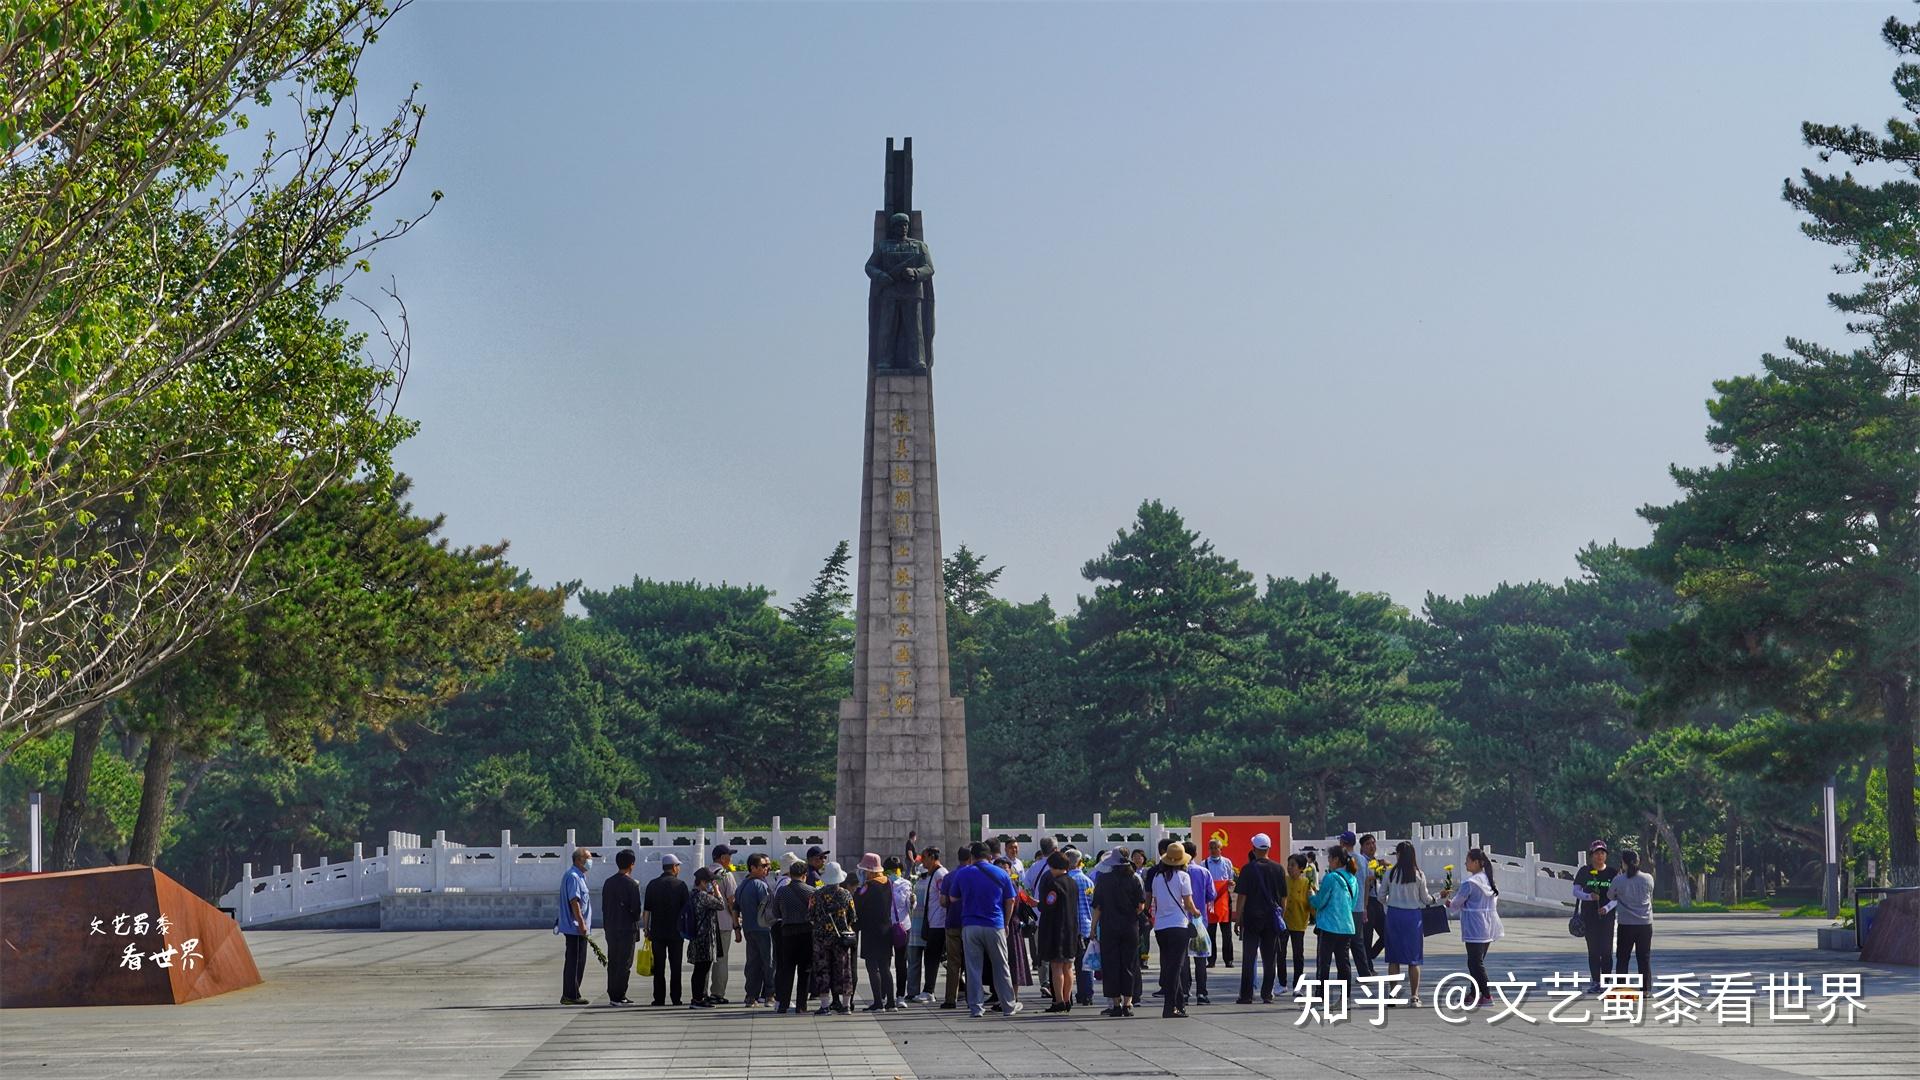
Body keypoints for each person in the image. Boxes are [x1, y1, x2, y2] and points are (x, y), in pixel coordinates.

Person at [950, 840, 1021, 1018]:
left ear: (972, 857)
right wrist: (1005, 922)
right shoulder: (1002, 873)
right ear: (990, 857)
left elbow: (952, 898)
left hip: (970, 925)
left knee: (973, 968)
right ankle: (1008, 1006)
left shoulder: (963, 874)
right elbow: (1010, 900)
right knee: (1001, 966)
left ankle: (976, 1008)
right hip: (994, 924)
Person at [1442, 847, 1503, 1008]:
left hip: (1475, 926)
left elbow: (1455, 904)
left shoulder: (1470, 883)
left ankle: (1487, 994)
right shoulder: (1489, 880)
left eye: (1468, 860)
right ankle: (1474, 993)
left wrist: (1447, 900)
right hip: (1489, 924)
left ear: (1476, 863)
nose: (1465, 863)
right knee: (1477, 961)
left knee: (1475, 963)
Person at [1232, 833, 1287, 1004]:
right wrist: (1281, 916)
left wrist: (1238, 917)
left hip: (1252, 918)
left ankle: (1246, 994)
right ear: (1268, 848)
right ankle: (1267, 993)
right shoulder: (1278, 869)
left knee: (1249, 957)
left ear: (1254, 849)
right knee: (1270, 958)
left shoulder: (1248, 869)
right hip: (1271, 919)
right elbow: (1284, 898)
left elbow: (1242, 896)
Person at [1090, 848, 1145, 1016]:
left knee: (1111, 965)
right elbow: (1141, 906)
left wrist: (1093, 929)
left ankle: (1115, 1004)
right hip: (1130, 927)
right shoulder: (1135, 879)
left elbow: (1098, 907)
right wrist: (1129, 916)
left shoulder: (1104, 880)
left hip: (1109, 927)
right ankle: (1128, 1003)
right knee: (1129, 964)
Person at [1381, 840, 1435, 1006]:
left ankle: (1393, 995)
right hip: (1413, 917)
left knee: (1394, 958)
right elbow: (1425, 899)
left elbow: (1381, 896)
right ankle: (1414, 996)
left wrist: (1391, 903)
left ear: (1398, 855)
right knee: (1414, 959)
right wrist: (1437, 898)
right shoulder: (1418, 874)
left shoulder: (1390, 873)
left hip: (1394, 916)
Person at [1035, 851, 1082, 1012]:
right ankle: (1068, 999)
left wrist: (1038, 904)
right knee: (1069, 967)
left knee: (1056, 966)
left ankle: (1059, 1001)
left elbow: (1048, 905)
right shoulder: (1073, 882)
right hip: (1071, 929)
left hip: (1057, 929)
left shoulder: (1054, 884)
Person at [809, 861, 857, 1014]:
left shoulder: (816, 894)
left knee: (823, 970)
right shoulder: (846, 894)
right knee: (843, 970)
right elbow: (853, 917)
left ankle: (824, 1006)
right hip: (841, 938)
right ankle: (845, 1006)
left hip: (821, 939)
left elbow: (810, 916)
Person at [853, 853, 900, 1012]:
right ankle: (891, 1002)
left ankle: (878, 1002)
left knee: (872, 967)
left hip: (871, 931)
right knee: (885, 967)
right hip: (886, 930)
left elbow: (857, 904)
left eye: (865, 870)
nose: (864, 873)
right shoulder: (888, 883)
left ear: (870, 870)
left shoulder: (868, 886)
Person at [641, 853, 689, 1007]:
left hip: (657, 932)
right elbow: (687, 911)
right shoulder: (681, 885)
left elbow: (647, 910)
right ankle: (676, 998)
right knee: (676, 967)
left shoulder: (652, 884)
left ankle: (659, 998)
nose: (679, 869)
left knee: (659, 967)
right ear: (674, 867)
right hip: (676, 933)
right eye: (678, 866)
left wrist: (646, 929)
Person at [1571, 840, 1617, 994]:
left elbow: (1617, 896)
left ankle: (1606, 981)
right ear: (1591, 855)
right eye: (1597, 853)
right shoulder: (1585, 871)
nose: (1600, 856)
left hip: (1607, 917)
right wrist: (1588, 896)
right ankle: (1596, 981)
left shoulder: (1612, 873)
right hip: (1589, 916)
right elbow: (1576, 891)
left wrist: (1607, 907)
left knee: (1606, 950)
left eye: (1602, 853)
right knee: (1593, 950)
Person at [1309, 848, 1357, 990]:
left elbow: (1319, 902)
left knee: (1324, 964)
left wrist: (1311, 896)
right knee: (1344, 964)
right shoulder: (1352, 879)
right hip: (1347, 926)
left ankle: (1321, 996)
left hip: (1328, 926)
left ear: (1336, 859)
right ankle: (1344, 998)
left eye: (1329, 857)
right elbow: (1352, 904)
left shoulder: (1331, 878)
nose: (1328, 861)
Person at [772, 861, 816, 1014]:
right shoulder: (811, 891)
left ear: (790, 874)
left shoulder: (782, 891)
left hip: (787, 933)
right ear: (805, 875)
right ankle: (801, 1006)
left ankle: (783, 1004)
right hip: (806, 933)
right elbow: (815, 913)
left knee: (786, 969)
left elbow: (775, 913)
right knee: (805, 970)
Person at [554, 847, 594, 1006]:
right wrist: (582, 924)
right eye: (588, 858)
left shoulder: (579, 876)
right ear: (579, 860)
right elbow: (574, 902)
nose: (590, 861)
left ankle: (573, 993)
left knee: (578, 960)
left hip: (576, 927)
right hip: (575, 927)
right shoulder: (573, 877)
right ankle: (570, 994)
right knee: (575, 961)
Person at [602, 849, 643, 1006]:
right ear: (632, 864)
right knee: (625, 962)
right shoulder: (632, 884)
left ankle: (612, 993)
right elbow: (636, 910)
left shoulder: (608, 882)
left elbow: (605, 907)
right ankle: (620, 995)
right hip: (627, 929)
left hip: (611, 927)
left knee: (613, 961)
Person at [1611, 849, 1654, 992]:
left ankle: (1622, 987)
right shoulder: (1648, 878)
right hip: (1645, 924)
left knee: (1623, 957)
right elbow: (1650, 893)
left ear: (1623, 863)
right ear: (1638, 861)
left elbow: (1610, 895)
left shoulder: (1619, 880)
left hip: (1626, 923)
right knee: (1644, 957)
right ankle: (1646, 989)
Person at [735, 853, 774, 1007]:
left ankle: (751, 996)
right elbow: (768, 908)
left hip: (749, 929)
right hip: (764, 929)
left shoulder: (742, 885)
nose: (767, 869)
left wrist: (737, 929)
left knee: (753, 963)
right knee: (769, 962)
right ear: (753, 868)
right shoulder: (760, 885)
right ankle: (770, 994)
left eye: (768, 865)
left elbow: (735, 907)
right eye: (763, 866)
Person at [686, 867, 727, 1008]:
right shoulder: (703, 896)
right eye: (711, 882)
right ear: (703, 882)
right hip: (705, 938)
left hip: (696, 937)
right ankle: (697, 999)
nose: (713, 884)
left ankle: (698, 997)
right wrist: (717, 891)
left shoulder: (692, 894)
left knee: (699, 969)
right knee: (702, 970)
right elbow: (721, 905)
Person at [1181, 841, 1216, 1005]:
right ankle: (1201, 993)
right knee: (1200, 958)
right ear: (1195, 854)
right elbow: (1212, 895)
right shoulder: (1204, 872)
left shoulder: (1177, 873)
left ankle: (1185, 992)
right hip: (1199, 920)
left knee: (1184, 958)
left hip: (1181, 921)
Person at [704, 845, 739, 1005]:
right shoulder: (726, 875)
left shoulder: (703, 873)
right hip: (723, 923)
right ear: (722, 857)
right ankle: (717, 993)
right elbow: (732, 901)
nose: (730, 859)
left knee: (705, 959)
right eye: (729, 856)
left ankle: (701, 992)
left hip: (705, 924)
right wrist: (736, 923)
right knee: (721, 960)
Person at [1063, 849, 1096, 1005]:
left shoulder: (1064, 880)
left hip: (1068, 927)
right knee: (1085, 964)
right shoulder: (1087, 880)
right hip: (1085, 926)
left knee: (1066, 964)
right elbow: (1093, 904)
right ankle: (1086, 994)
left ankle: (1065, 995)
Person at [914, 847, 946, 1003]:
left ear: (932, 857)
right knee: (933, 957)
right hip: (933, 921)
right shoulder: (933, 874)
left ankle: (929, 990)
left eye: (925, 858)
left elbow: (943, 899)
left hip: (939, 923)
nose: (923, 861)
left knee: (932, 958)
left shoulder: (940, 874)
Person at [939, 844, 970, 1009]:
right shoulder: (973, 876)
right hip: (970, 923)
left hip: (952, 923)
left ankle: (950, 999)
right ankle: (973, 997)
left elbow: (943, 901)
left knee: (953, 963)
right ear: (970, 858)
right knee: (972, 961)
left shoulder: (949, 877)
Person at [1281, 853, 1313, 995]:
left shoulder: (1307, 883)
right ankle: (1282, 984)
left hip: (1299, 923)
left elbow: (1312, 904)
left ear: (1301, 868)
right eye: (1288, 864)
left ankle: (1298, 986)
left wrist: (1317, 918)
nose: (1289, 868)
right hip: (1283, 922)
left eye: (1293, 865)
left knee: (1298, 955)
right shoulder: (1284, 881)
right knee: (1280, 953)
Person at [1203, 837, 1236, 969]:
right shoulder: (1204, 863)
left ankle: (1229, 960)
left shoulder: (1227, 862)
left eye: (1216, 847)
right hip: (1211, 900)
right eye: (1211, 848)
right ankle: (1211, 960)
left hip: (1223, 899)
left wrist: (1230, 883)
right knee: (1210, 931)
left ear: (1220, 849)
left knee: (1226, 932)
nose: (1213, 850)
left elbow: (1231, 879)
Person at [884, 855, 913, 1005]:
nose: (894, 873)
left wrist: (912, 902)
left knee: (901, 962)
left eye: (897, 870)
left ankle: (900, 995)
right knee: (884, 961)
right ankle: (884, 994)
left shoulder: (906, 884)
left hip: (902, 927)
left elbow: (909, 906)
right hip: (886, 927)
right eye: (890, 871)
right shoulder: (882, 884)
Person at [1360, 834, 1389, 964]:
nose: (1371, 846)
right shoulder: (1362, 863)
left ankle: (1368, 957)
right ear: (1362, 847)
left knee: (1387, 934)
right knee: (1367, 936)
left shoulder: (1377, 862)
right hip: (1367, 901)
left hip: (1378, 902)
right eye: (1368, 844)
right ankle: (1368, 968)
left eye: (1373, 843)